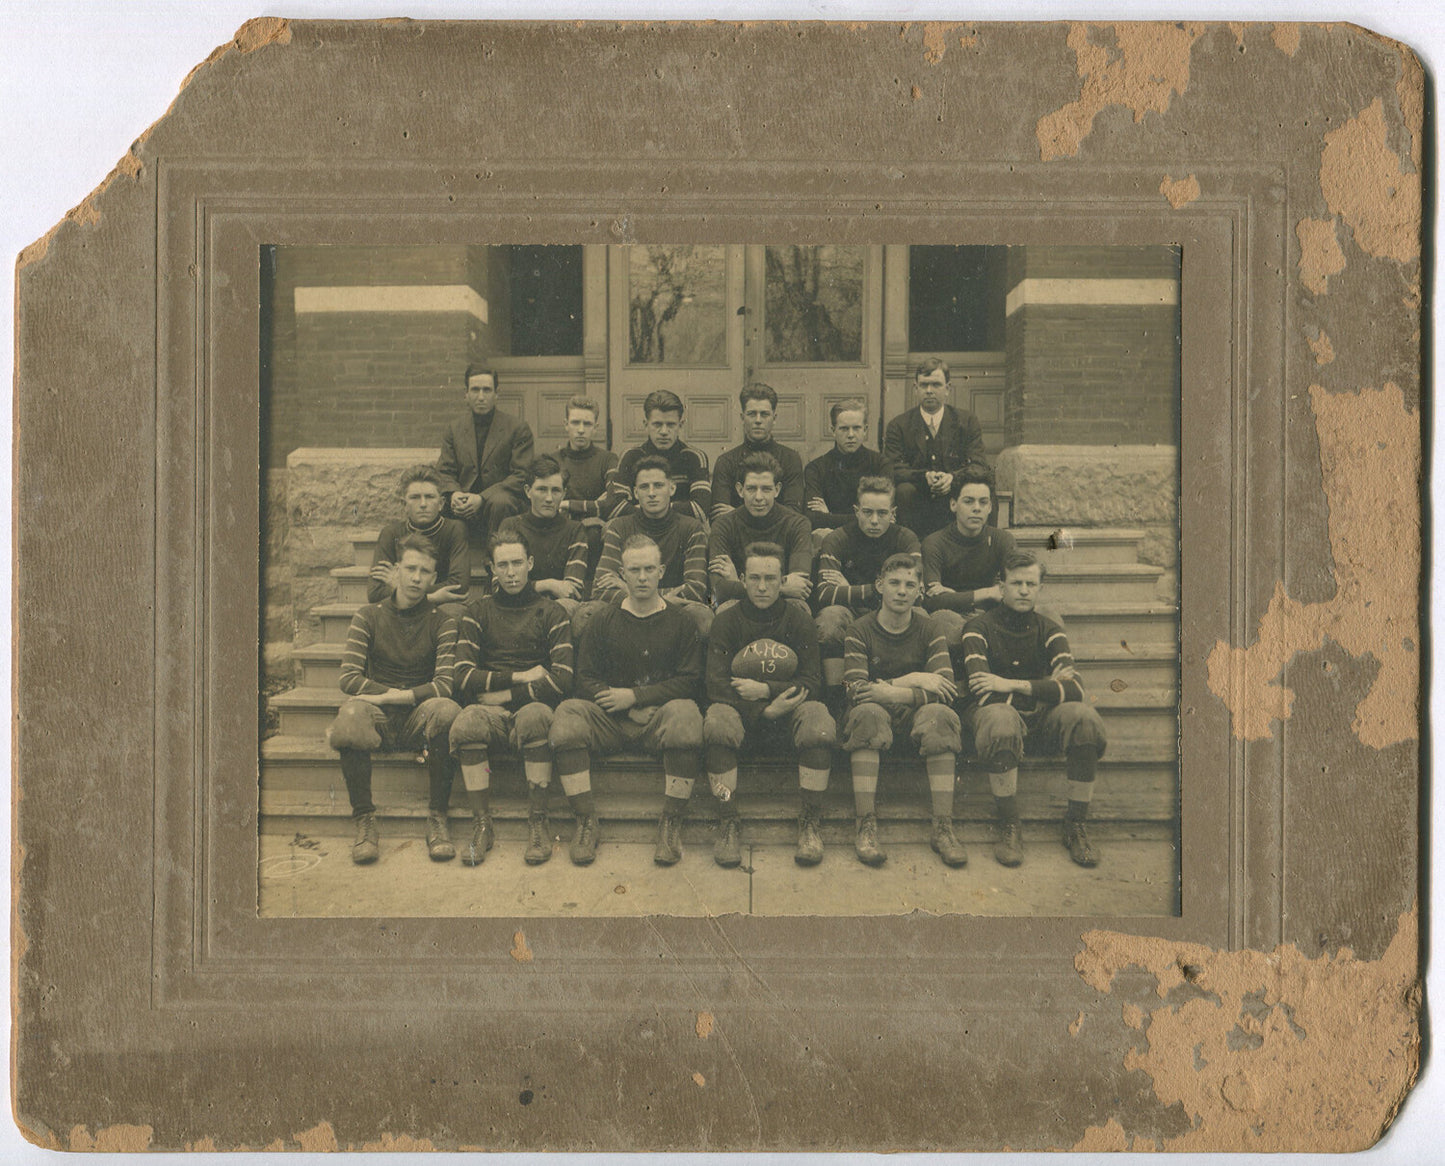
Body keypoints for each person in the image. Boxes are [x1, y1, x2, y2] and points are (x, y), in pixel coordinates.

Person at [549, 535, 705, 866]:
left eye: (650, 568)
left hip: (657, 720)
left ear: (662, 570)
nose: (643, 577)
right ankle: (586, 820)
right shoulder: (603, 620)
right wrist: (625, 706)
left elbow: (690, 680)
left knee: (687, 716)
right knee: (567, 716)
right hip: (611, 720)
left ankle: (671, 823)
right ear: (623, 573)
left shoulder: (682, 621)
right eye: (635, 570)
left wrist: (637, 697)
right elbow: (584, 678)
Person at [960, 551, 1107, 869]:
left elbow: (1075, 689)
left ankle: (1075, 823)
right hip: (995, 717)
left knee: (1084, 717)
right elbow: (983, 691)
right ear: (1001, 587)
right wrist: (1044, 689)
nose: (1024, 590)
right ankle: (1009, 823)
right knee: (1000, 716)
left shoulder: (1049, 628)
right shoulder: (977, 628)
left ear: (1040, 588)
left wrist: (1010, 684)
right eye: (1016, 583)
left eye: (1031, 583)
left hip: (1039, 716)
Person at [324, 534, 461, 865]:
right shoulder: (368, 615)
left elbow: (444, 684)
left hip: (420, 717)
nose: (416, 578)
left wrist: (406, 696)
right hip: (380, 717)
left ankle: (438, 817)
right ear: (396, 570)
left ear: (433, 578)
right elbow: (348, 678)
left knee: (448, 710)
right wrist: (390, 697)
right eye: (410, 568)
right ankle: (365, 820)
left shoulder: (443, 621)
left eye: (425, 572)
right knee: (351, 715)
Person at [704, 542, 836, 867]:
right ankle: (728, 820)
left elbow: (811, 682)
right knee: (717, 719)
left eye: (770, 578)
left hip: (787, 715)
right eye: (754, 578)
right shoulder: (726, 621)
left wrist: (766, 691)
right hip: (741, 716)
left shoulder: (799, 619)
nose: (762, 587)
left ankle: (809, 820)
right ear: (743, 580)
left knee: (818, 717)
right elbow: (716, 684)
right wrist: (760, 711)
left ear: (782, 580)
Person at [448, 530, 574, 866]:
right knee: (467, 720)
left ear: (530, 563)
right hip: (491, 714)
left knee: (534, 716)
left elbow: (562, 679)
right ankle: (482, 823)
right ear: (492, 569)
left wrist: (504, 693)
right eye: (502, 565)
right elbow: (461, 675)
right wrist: (520, 675)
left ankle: (538, 820)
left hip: (531, 711)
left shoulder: (552, 612)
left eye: (517, 562)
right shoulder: (477, 612)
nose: (511, 572)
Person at [840, 554, 967, 868]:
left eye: (910, 585)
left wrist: (890, 690)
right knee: (867, 713)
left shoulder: (929, 628)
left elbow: (947, 689)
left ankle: (943, 827)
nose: (901, 591)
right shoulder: (860, 629)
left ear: (919, 590)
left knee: (941, 716)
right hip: (873, 717)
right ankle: (865, 825)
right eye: (894, 583)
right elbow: (858, 690)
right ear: (880, 585)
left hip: (914, 716)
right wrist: (911, 679)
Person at [812, 476, 922, 693]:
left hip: (893, 613)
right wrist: (878, 590)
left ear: (893, 514)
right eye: (867, 512)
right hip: (850, 613)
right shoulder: (837, 539)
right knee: (830, 618)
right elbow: (825, 593)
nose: (874, 520)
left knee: (921, 615)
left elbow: (918, 594)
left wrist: (848, 588)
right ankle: (836, 698)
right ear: (856, 511)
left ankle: (905, 691)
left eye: (882, 513)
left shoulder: (906, 539)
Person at [584, 455, 711, 637]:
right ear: (635, 493)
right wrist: (662, 597)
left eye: (658, 485)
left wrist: (629, 589)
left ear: (672, 488)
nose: (651, 493)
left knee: (700, 615)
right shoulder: (619, 527)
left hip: (673, 614)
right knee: (589, 614)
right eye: (644, 487)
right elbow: (600, 588)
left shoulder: (691, 528)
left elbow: (696, 589)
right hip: (627, 611)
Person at [883, 358, 989, 539]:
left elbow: (979, 465)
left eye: (936, 385)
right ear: (915, 388)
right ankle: (912, 551)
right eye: (924, 385)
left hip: (954, 496)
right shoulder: (898, 425)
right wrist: (923, 477)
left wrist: (952, 478)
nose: (929, 391)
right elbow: (892, 468)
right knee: (904, 491)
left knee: (983, 489)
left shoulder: (966, 421)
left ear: (947, 389)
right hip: (917, 499)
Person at [921, 467, 1018, 664]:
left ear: (990, 507)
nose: (977, 508)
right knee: (944, 622)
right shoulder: (934, 543)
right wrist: (988, 593)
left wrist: (952, 596)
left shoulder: (1002, 540)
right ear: (953, 504)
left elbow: (1013, 590)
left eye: (983, 502)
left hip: (989, 615)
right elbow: (932, 602)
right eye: (968, 501)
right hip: (951, 618)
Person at [435, 365, 533, 540]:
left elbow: (521, 475)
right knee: (439, 502)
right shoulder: (454, 428)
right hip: (463, 504)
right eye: (475, 390)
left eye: (487, 390)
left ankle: (495, 559)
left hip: (498, 505)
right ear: (466, 394)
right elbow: (444, 471)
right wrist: (455, 494)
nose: (481, 397)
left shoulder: (517, 428)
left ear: (497, 394)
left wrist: (482, 498)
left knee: (500, 502)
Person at [707, 452, 813, 610]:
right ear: (740, 490)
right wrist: (781, 586)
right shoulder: (723, 525)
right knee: (725, 608)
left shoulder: (797, 523)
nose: (758, 497)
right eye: (751, 489)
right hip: (739, 606)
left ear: (777, 490)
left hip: (781, 605)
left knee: (798, 606)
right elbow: (719, 589)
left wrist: (738, 583)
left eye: (766, 489)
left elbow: (800, 586)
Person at [367, 464, 472, 609]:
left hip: (438, 609)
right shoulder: (390, 534)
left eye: (429, 497)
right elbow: (374, 593)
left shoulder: (455, 529)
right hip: (401, 608)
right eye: (415, 497)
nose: (423, 504)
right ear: (405, 504)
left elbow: (458, 586)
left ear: (441, 503)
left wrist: (400, 585)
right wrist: (431, 597)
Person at [496, 455, 590, 613]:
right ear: (528, 491)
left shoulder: (575, 530)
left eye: (555, 491)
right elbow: (500, 584)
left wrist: (530, 588)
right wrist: (549, 584)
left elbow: (571, 590)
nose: (549, 498)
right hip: (516, 607)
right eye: (541, 489)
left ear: (564, 494)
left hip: (557, 610)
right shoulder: (511, 526)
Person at [607, 389, 711, 521]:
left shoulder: (694, 457)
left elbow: (700, 510)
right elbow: (615, 508)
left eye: (671, 425)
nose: (664, 431)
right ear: (646, 425)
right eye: (657, 424)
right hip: (638, 529)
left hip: (680, 530)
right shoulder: (631, 456)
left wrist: (649, 508)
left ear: (681, 425)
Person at [710, 383, 805, 519]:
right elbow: (719, 516)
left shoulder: (790, 458)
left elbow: (794, 512)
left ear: (774, 418)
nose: (758, 420)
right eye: (752, 414)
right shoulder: (726, 461)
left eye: (764, 414)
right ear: (742, 418)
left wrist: (738, 514)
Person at [802, 398, 892, 540]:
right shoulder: (816, 468)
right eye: (844, 428)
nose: (851, 435)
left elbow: (886, 517)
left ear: (865, 430)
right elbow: (813, 518)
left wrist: (829, 516)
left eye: (856, 428)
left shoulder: (880, 464)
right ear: (833, 431)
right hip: (832, 539)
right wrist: (863, 517)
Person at [554, 395, 619, 576]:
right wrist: (592, 507)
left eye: (587, 424)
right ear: (566, 424)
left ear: (596, 428)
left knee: (591, 534)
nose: (581, 430)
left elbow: (613, 502)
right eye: (575, 423)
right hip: (558, 528)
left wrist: (567, 504)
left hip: (593, 533)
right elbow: (548, 503)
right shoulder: (553, 460)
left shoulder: (607, 460)